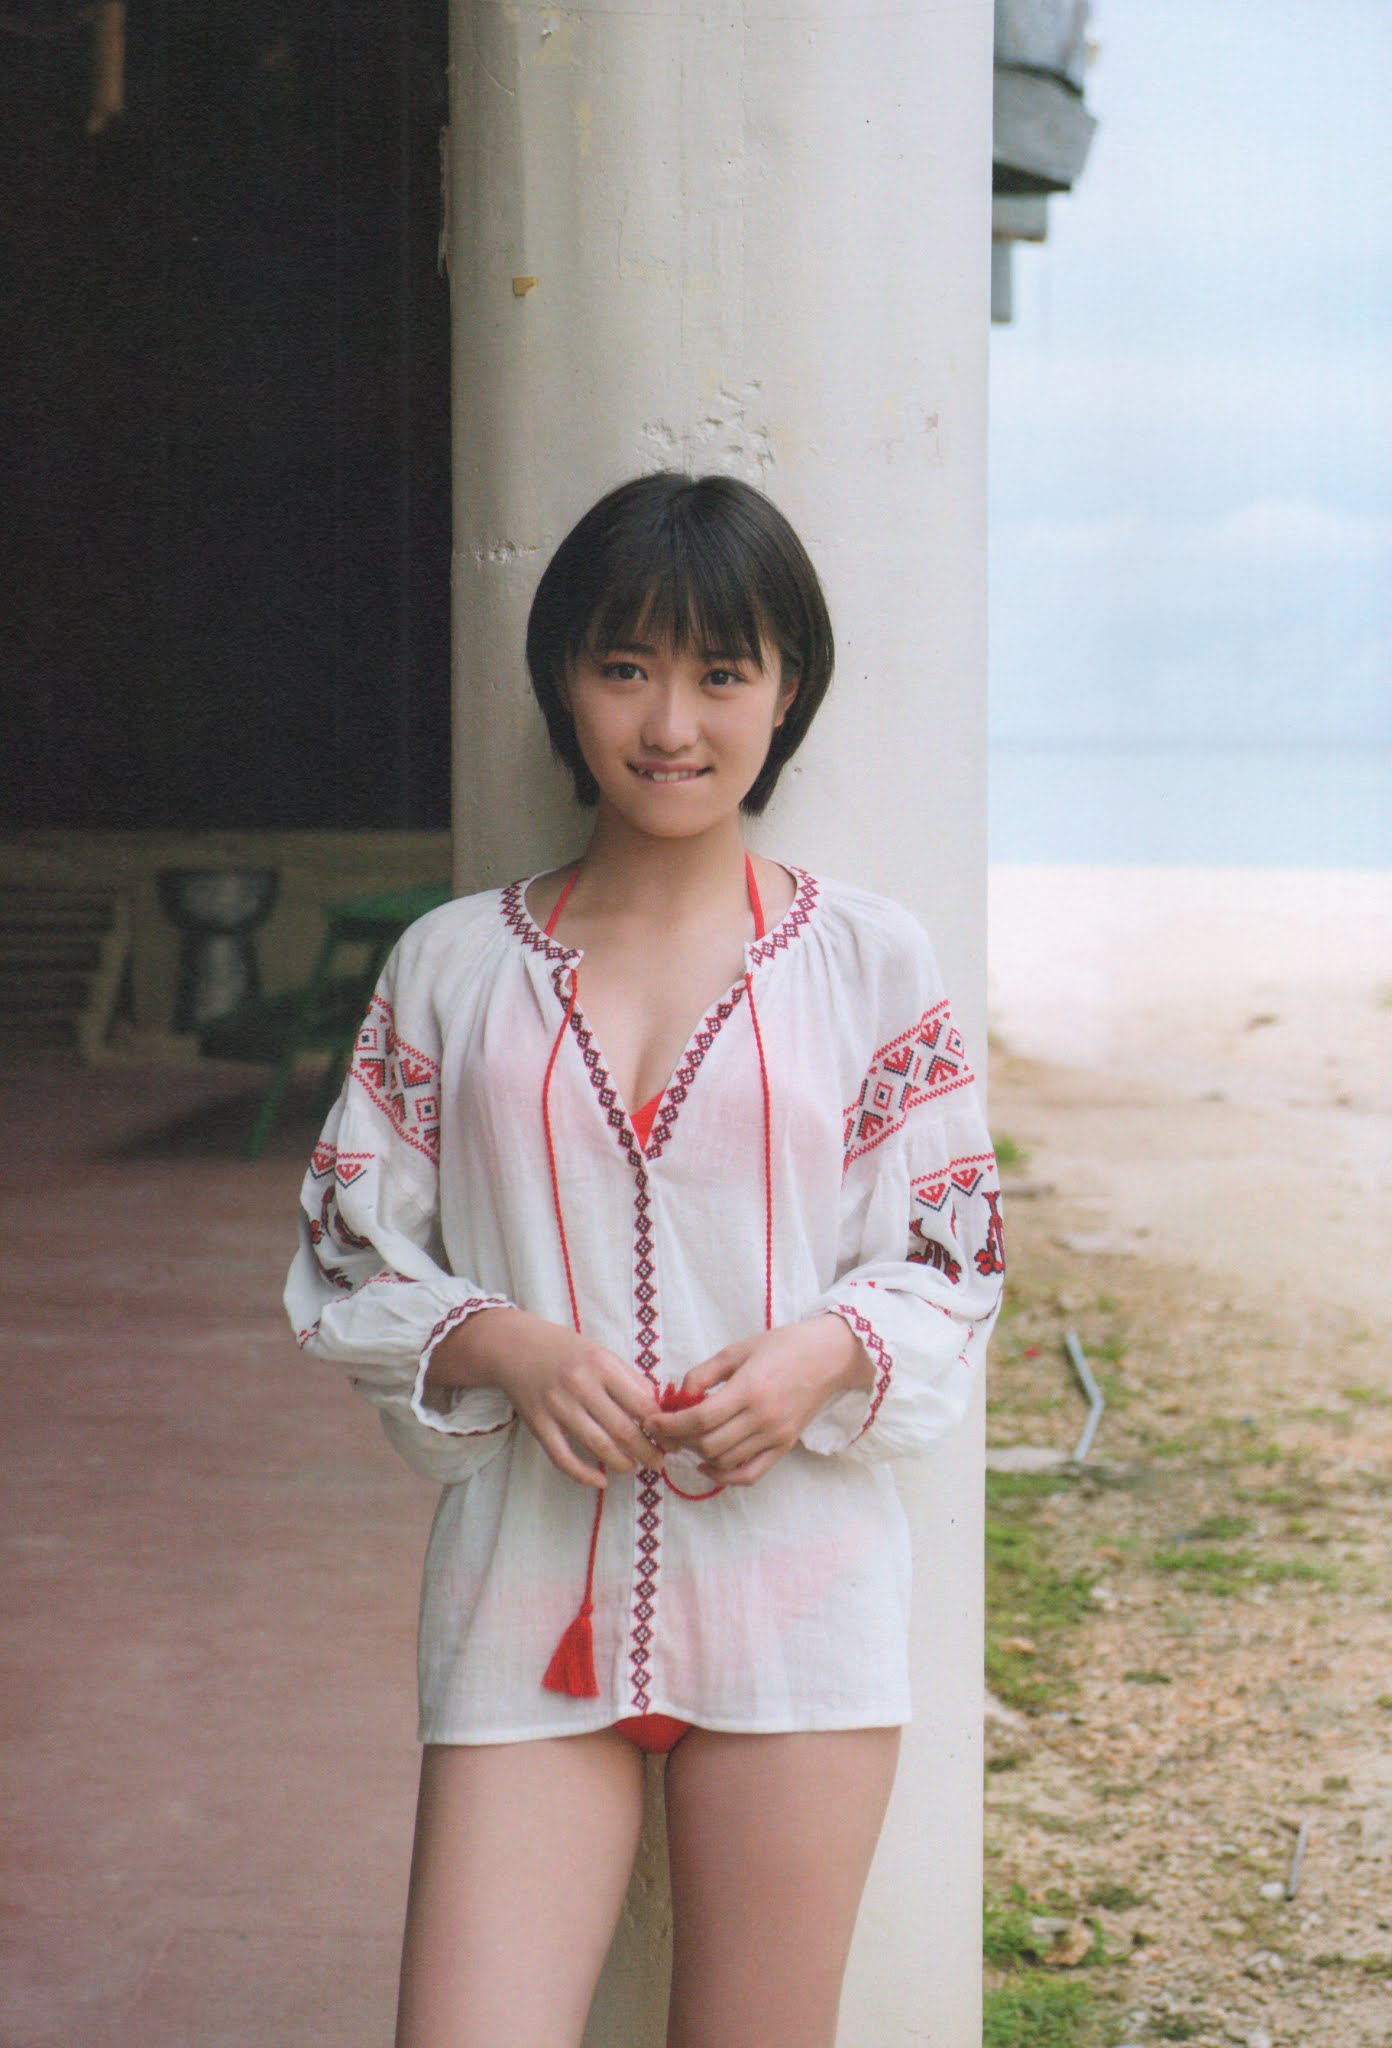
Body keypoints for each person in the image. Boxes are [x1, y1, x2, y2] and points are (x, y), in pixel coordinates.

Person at [285, 471, 1005, 2048]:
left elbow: (953, 1252)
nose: (671, 722)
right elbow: (345, 1248)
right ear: (564, 678)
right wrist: (503, 1343)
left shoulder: (870, 961)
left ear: (787, 690)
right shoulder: (452, 965)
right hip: (524, 1590)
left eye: (721, 671)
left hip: (800, 1589)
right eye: (626, 667)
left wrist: (830, 1350)